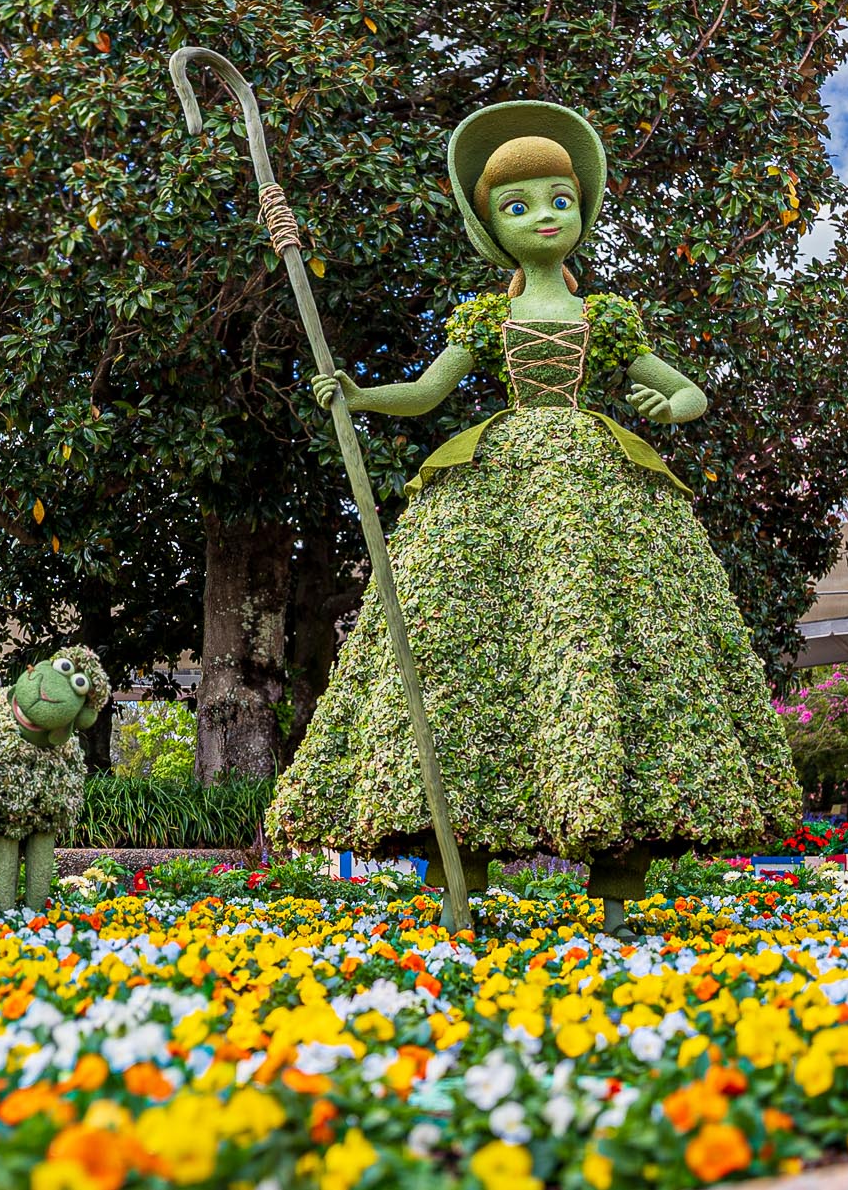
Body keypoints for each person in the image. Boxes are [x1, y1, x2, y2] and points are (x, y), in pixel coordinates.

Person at [266, 101, 798, 932]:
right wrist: (362, 393)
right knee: (469, 643)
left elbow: (686, 388)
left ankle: (616, 884)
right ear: (490, 227)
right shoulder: (485, 318)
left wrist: (672, 403)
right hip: (493, 481)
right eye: (517, 206)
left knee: (618, 637)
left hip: (602, 483)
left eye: (557, 198)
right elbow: (430, 390)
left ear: (581, 209)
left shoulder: (607, 318)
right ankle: (459, 882)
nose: (542, 216)